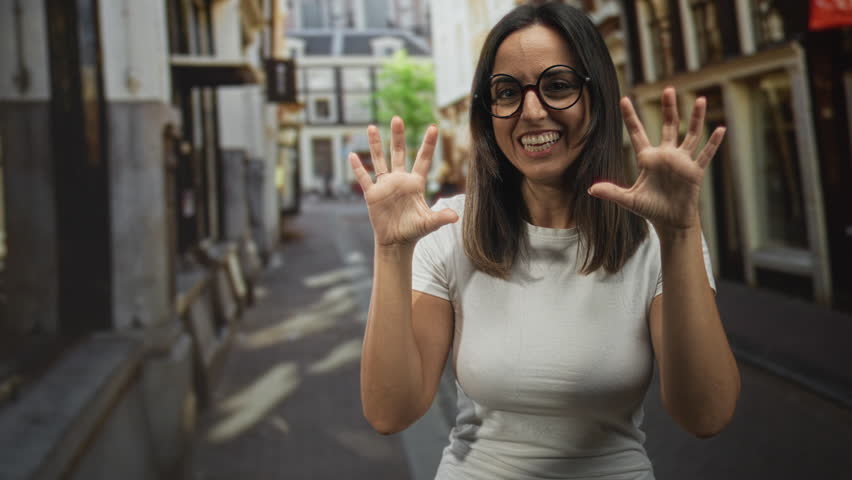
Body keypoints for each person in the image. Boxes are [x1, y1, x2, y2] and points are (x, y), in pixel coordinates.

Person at [348, 3, 741, 479]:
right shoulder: (449, 229)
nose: (532, 112)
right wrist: (391, 251)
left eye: (557, 86)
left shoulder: (656, 238)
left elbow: (706, 415)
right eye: (507, 92)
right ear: (488, 113)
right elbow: (391, 412)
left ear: (596, 95)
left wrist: (681, 236)